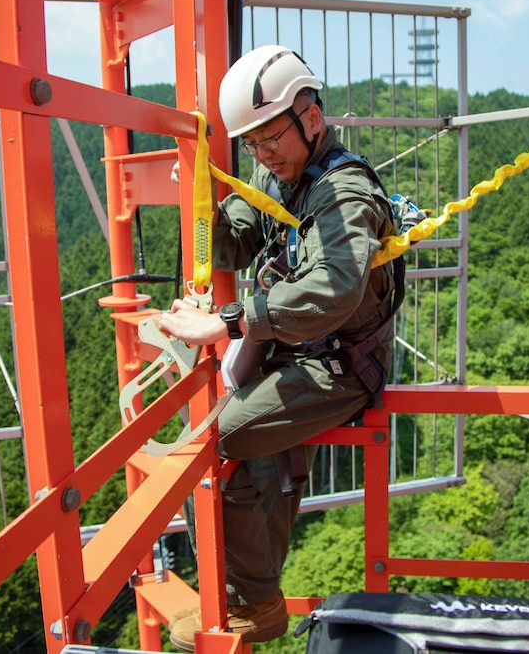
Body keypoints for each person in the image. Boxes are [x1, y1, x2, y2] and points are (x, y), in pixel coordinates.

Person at [156, 44, 398, 651]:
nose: (263, 155)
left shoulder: (342, 193)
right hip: (298, 346)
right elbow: (239, 239)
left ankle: (253, 604)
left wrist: (231, 321)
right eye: (254, 145)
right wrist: (202, 203)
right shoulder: (279, 177)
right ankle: (255, 595)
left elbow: (335, 289)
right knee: (260, 452)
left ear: (310, 118)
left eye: (271, 140)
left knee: (226, 437)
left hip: (340, 363)